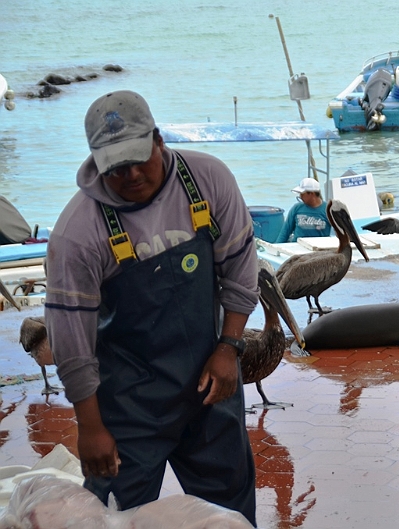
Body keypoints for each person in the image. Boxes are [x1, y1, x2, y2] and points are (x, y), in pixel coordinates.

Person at [44, 90, 259, 525]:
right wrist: (90, 426)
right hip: (129, 404)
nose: (133, 174)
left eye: (140, 157)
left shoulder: (208, 179)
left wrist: (228, 348)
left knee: (230, 510)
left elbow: (240, 266)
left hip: (208, 385)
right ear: (95, 161)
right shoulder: (77, 234)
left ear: (158, 139)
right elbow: (71, 340)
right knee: (112, 513)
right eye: (116, 167)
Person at [275, 177, 331, 243]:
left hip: (319, 248)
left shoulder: (328, 210)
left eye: (302, 194)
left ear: (311, 194)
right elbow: (285, 232)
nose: (300, 196)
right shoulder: (296, 208)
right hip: (297, 247)